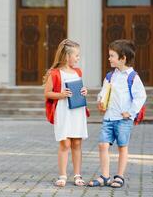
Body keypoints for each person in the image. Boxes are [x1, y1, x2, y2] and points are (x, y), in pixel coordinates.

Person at [88, 39, 146, 188]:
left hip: (123, 119)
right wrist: (100, 101)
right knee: (102, 145)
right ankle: (105, 176)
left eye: (112, 55)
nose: (109, 58)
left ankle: (119, 176)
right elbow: (103, 92)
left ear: (123, 58)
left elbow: (141, 96)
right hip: (108, 117)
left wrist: (131, 112)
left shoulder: (132, 77)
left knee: (122, 146)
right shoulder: (110, 76)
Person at [43, 39, 89, 187]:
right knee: (65, 143)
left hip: (77, 111)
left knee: (77, 142)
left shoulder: (78, 72)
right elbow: (47, 93)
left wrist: (84, 91)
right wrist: (61, 94)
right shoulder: (55, 73)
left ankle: (77, 175)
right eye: (76, 55)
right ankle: (62, 175)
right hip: (63, 112)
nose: (78, 58)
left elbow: (80, 89)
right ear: (66, 56)